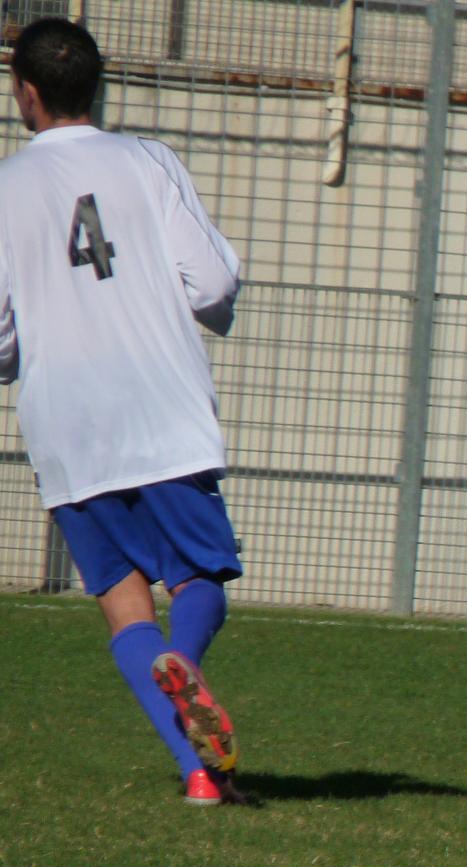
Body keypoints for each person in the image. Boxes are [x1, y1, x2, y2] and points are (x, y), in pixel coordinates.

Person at [0, 18, 245, 806]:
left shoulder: (4, 187)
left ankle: (199, 774)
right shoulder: (147, 161)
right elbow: (209, 286)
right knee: (201, 573)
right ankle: (188, 663)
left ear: (24, 94)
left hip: (68, 424)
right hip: (160, 406)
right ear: (96, 86)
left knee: (121, 601)